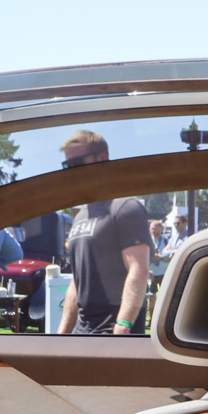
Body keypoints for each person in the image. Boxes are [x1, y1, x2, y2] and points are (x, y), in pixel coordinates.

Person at [56, 130, 152, 335]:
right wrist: (62, 333)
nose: (72, 172)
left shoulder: (126, 207)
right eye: (67, 166)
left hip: (115, 332)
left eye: (77, 163)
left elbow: (138, 269)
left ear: (102, 159)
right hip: (83, 332)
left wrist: (123, 326)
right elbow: (77, 280)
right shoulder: (81, 216)